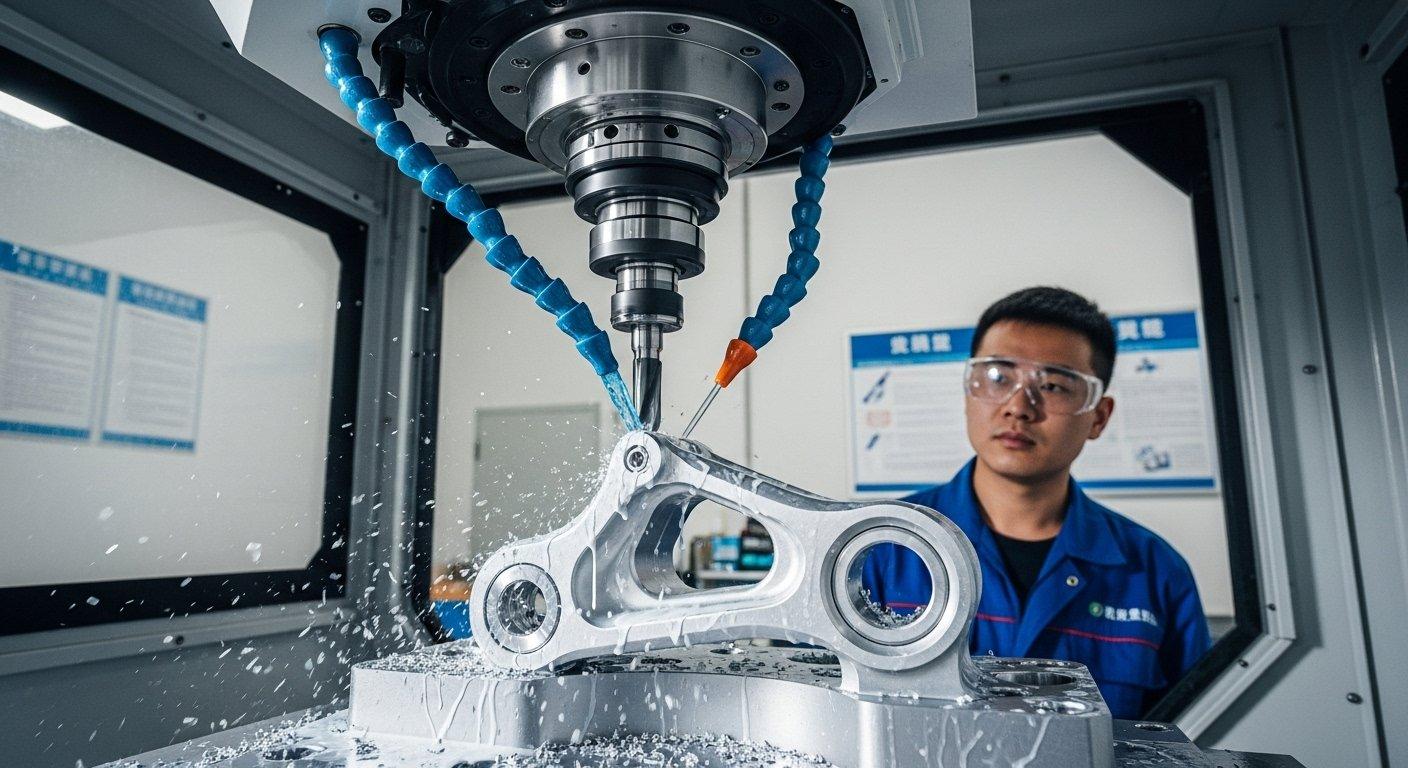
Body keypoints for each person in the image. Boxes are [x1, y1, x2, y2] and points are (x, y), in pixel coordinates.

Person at [862, 286, 1211, 719]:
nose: (1019, 407)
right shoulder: (882, 546)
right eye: (998, 378)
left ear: (1098, 417)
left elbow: (1191, 733)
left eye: (1053, 385)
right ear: (969, 391)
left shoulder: (1155, 573)